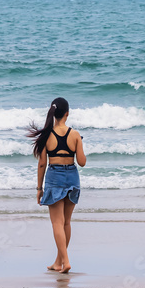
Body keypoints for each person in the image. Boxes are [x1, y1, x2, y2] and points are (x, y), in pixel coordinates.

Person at [27, 97, 86, 274]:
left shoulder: (47, 136)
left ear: (54, 114)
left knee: (57, 223)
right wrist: (79, 145)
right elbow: (82, 162)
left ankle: (65, 261)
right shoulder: (74, 134)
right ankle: (58, 262)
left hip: (54, 178)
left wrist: (39, 189)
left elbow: (42, 164)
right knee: (66, 222)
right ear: (67, 114)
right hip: (72, 178)